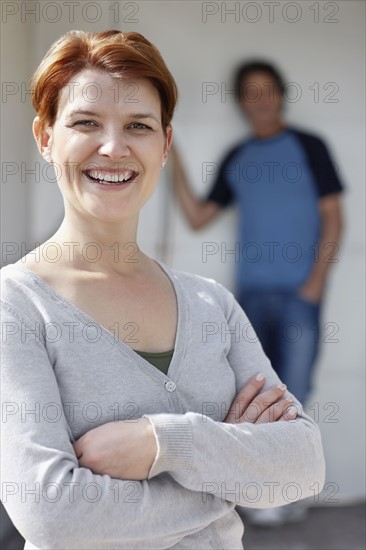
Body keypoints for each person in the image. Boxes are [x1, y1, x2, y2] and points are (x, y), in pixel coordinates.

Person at [1, 32, 326, 550]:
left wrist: (166, 443)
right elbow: (51, 514)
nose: (114, 146)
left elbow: (304, 465)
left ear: (165, 144)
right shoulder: (17, 305)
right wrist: (230, 478)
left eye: (138, 126)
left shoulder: (210, 302)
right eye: (86, 122)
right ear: (44, 138)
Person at [171, 61, 344, 526]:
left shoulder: (310, 147)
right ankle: (266, 493)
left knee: (296, 390)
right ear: (241, 101)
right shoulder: (238, 156)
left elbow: (334, 217)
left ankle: (293, 491)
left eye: (268, 90)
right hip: (248, 297)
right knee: (255, 394)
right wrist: (171, 161)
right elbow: (197, 216)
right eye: (252, 92)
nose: (261, 99)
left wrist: (315, 283)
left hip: (298, 294)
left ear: (281, 95)